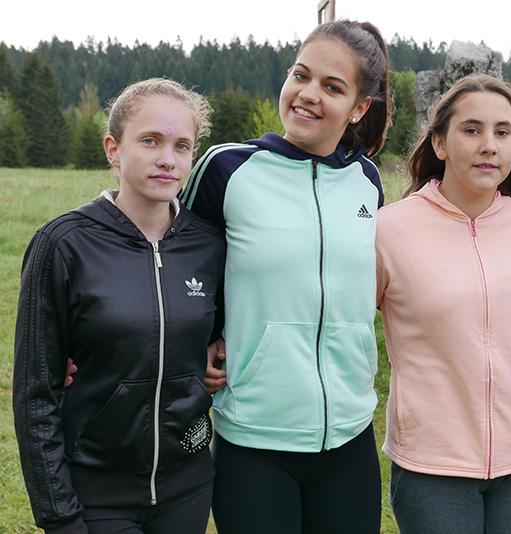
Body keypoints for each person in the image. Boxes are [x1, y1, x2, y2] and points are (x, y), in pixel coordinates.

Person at [179, 20, 392, 533]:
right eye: (301, 75)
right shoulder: (226, 169)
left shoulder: (367, 181)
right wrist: (202, 342)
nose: (308, 94)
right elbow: (178, 272)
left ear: (359, 107)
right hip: (254, 439)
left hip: (349, 437)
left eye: (332, 87)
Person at [14, 78, 223, 533]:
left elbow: (218, 329)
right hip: (97, 493)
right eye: (150, 141)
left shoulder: (209, 245)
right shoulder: (63, 245)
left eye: (182, 146)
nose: (167, 158)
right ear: (113, 149)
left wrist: (218, 351)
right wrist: (59, 515)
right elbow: (35, 394)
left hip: (187, 487)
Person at [376, 74, 511, 534]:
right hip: (433, 464)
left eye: (503, 132)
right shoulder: (389, 230)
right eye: (471, 130)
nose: (489, 146)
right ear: (440, 143)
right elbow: (341, 326)